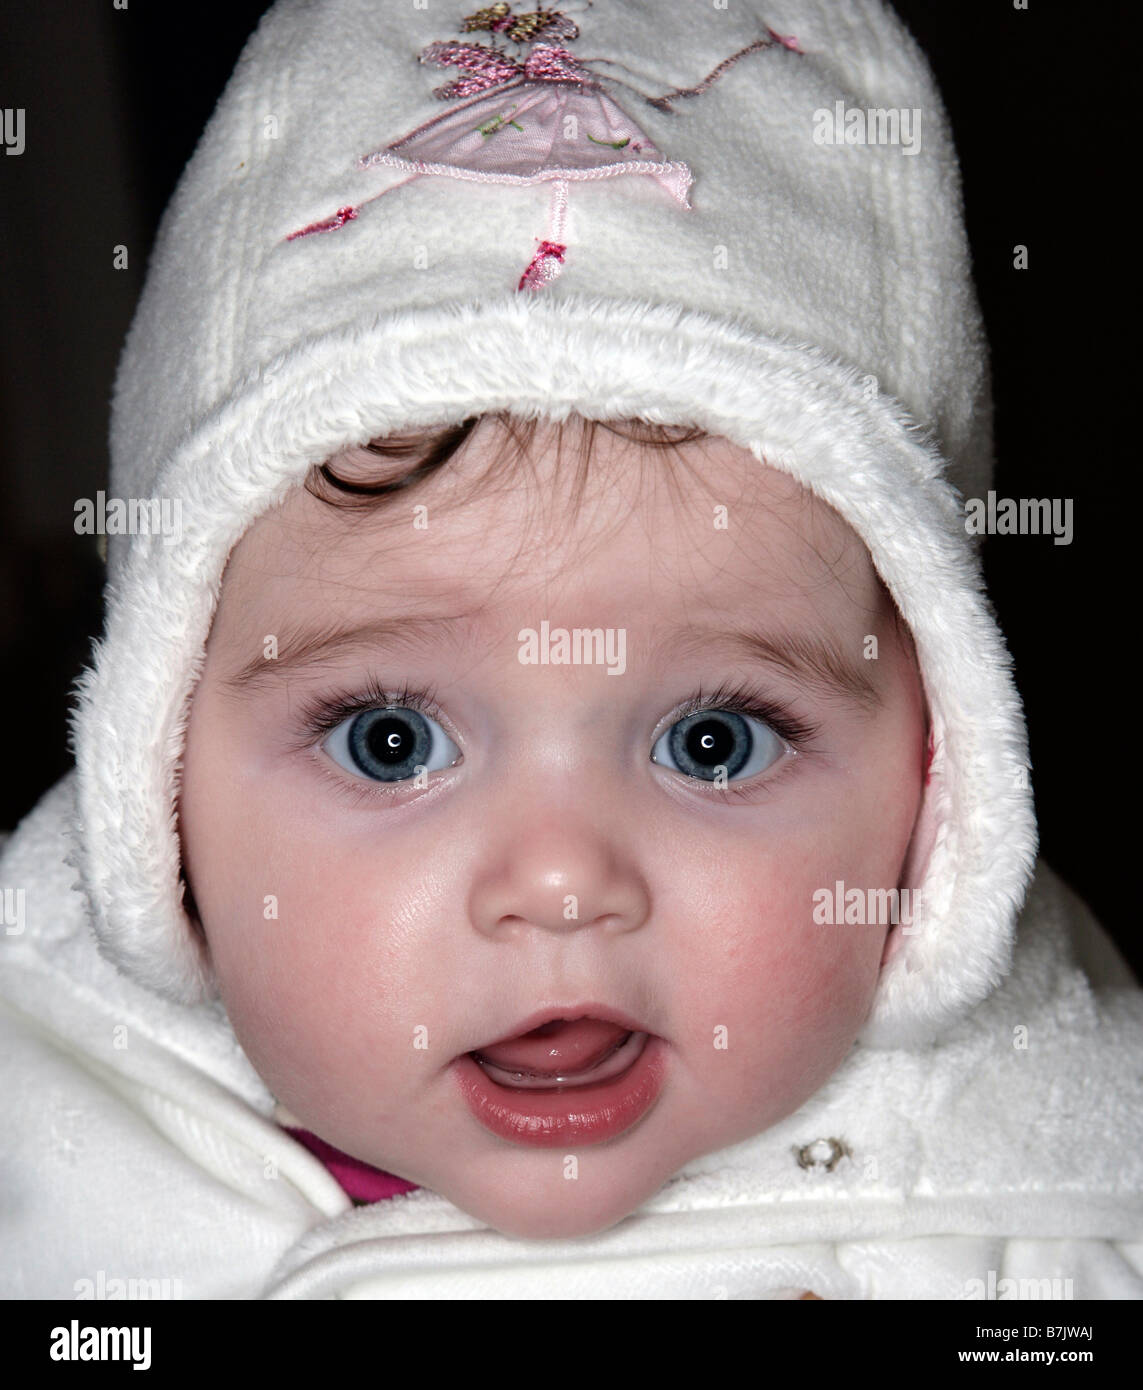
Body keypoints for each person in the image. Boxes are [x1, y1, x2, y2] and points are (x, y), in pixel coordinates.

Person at [1, 0, 1140, 1300]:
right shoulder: (42, 1148)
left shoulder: (1045, 1232)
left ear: (940, 791)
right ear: (158, 780)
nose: (558, 882)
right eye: (393, 740)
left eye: (715, 742)